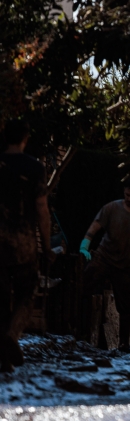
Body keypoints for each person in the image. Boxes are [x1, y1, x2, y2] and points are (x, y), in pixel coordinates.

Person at [80, 174, 130, 353]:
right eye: (127, 195)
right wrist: (84, 246)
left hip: (128, 263)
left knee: (125, 303)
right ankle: (80, 334)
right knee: (84, 288)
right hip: (104, 257)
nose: (129, 199)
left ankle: (124, 343)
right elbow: (93, 229)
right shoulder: (111, 208)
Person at [0, 120, 53, 372]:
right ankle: (11, 335)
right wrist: (46, 245)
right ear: (25, 139)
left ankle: (3, 357)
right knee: (27, 291)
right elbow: (42, 209)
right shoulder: (35, 168)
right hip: (22, 241)